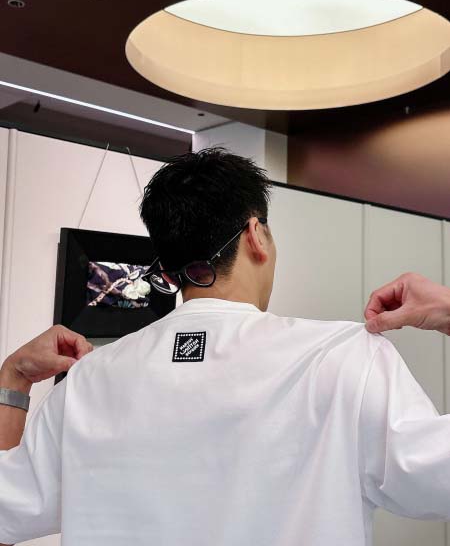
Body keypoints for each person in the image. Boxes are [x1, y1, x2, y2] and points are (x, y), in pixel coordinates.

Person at [0, 148, 450, 546]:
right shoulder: (344, 357)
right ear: (256, 234)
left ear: (169, 266)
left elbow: (5, 513)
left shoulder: (87, 381)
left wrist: (14, 379)